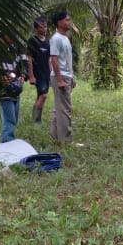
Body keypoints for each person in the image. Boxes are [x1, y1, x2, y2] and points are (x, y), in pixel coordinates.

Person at [49, 11, 75, 145]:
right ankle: (66, 139)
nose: (69, 22)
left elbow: (67, 60)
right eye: (66, 20)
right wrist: (59, 79)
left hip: (66, 75)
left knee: (58, 107)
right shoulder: (56, 38)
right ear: (59, 22)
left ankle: (55, 136)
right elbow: (54, 59)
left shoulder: (65, 38)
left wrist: (72, 77)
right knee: (65, 109)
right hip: (61, 76)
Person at [0, 37, 28, 143]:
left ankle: (5, 143)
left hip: (15, 88)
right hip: (3, 90)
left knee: (13, 118)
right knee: (9, 121)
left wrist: (23, 76)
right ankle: (7, 144)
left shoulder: (16, 48)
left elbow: (24, 62)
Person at [27, 17, 51, 123]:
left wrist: (51, 74)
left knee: (40, 95)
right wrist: (31, 75)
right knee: (43, 95)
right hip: (37, 73)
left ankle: (34, 116)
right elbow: (29, 58)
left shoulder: (48, 42)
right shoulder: (32, 41)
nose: (44, 29)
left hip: (46, 73)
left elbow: (49, 59)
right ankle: (36, 120)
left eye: (45, 26)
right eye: (41, 27)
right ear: (36, 28)